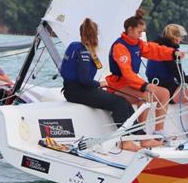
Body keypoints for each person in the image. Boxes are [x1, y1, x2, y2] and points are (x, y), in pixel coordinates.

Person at [60, 18, 140, 152]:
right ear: (95, 36)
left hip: (73, 89)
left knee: (124, 102)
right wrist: (100, 83)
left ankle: (140, 134)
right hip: (78, 91)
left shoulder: (75, 46)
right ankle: (125, 141)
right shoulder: (83, 51)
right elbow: (85, 80)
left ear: (81, 33)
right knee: (118, 103)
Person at [106, 11, 181, 147]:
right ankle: (142, 137)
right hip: (117, 85)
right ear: (130, 30)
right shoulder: (120, 46)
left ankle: (159, 131)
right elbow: (127, 73)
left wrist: (172, 53)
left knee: (164, 93)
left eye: (142, 32)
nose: (141, 34)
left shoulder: (138, 44)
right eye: (139, 31)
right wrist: (145, 85)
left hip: (131, 83)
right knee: (146, 96)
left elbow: (155, 50)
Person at [146, 24, 188, 132]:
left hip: (156, 86)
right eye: (180, 38)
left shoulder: (156, 48)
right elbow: (183, 78)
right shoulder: (170, 53)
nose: (181, 40)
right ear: (175, 39)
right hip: (168, 90)